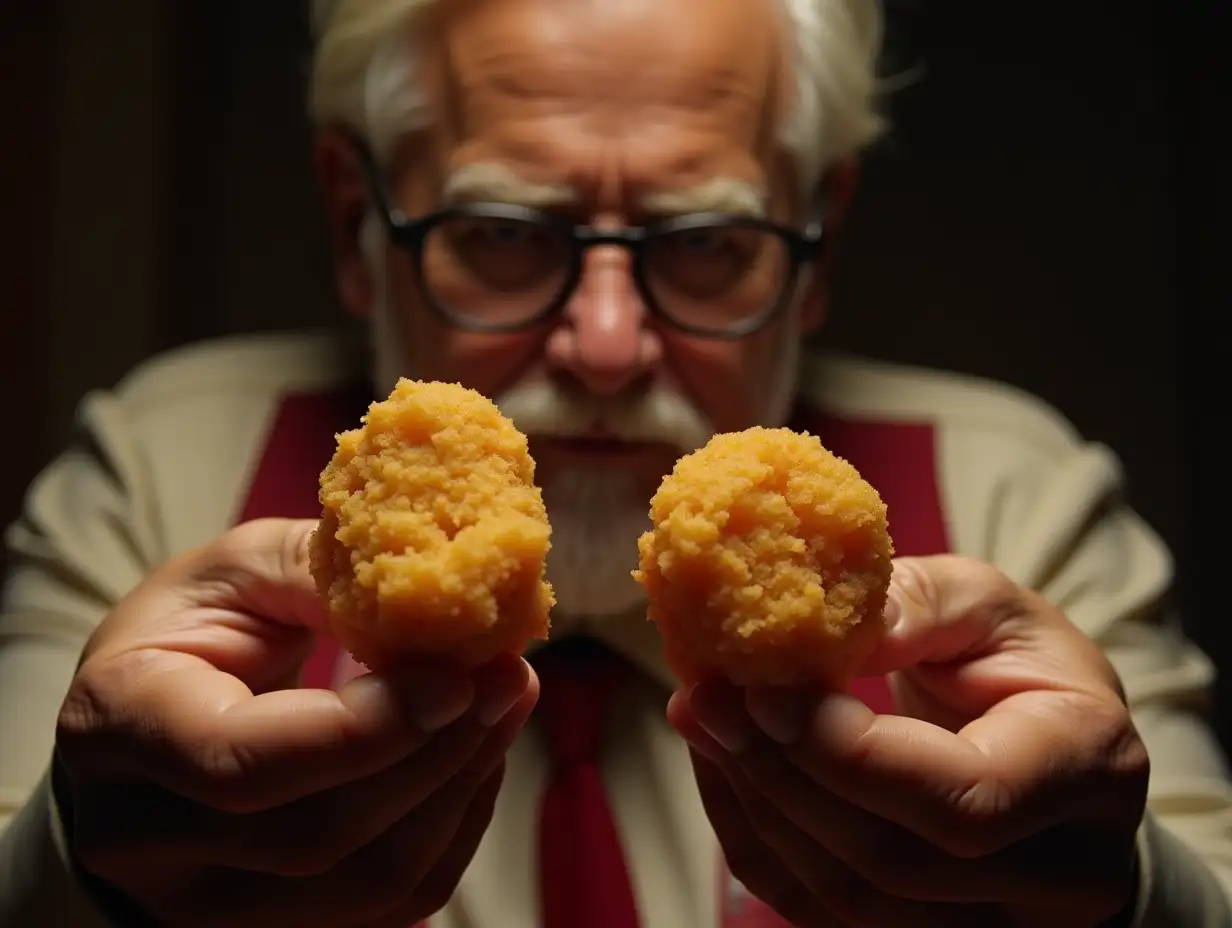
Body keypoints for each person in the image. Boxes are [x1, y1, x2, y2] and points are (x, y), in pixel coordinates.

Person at [0, 0, 1225, 924]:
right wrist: (78, 865)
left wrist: (1118, 897)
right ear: (355, 225)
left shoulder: (1019, 494)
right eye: (500, 232)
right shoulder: (159, 470)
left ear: (816, 243)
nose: (601, 343)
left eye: (704, 241)